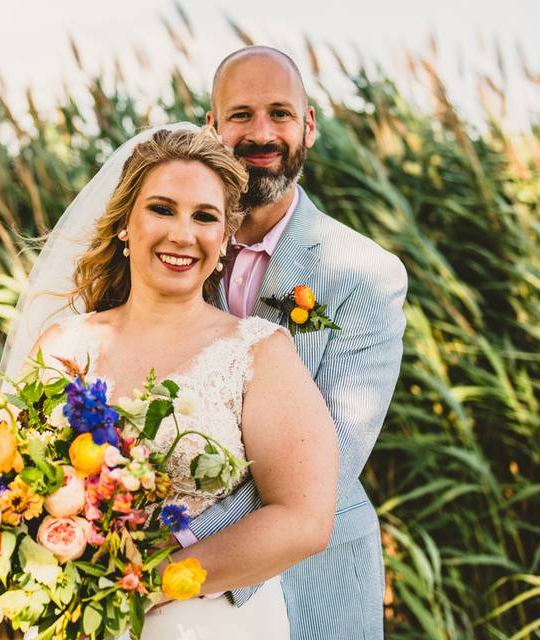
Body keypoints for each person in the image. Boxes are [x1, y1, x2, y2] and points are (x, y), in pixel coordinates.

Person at [26, 127, 338, 639]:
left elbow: (305, 518)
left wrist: (153, 581)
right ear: (126, 224)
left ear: (223, 240)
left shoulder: (259, 352)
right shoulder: (63, 348)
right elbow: (12, 485)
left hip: (202, 621)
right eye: (162, 209)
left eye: (204, 217)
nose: (182, 233)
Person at [180, 46, 408, 639]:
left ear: (308, 125)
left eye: (281, 113)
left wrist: (174, 551)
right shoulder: (168, 253)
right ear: (211, 128)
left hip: (313, 582)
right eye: (241, 115)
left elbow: (327, 463)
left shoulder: (364, 274)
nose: (262, 133)